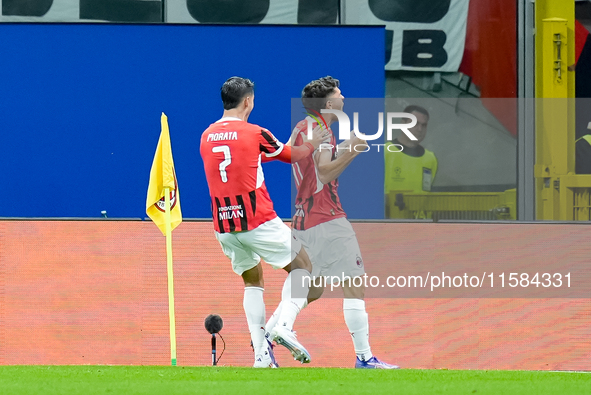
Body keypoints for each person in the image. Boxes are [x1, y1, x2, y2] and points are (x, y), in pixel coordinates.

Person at [265, 76, 399, 369]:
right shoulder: (321, 128)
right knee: (354, 283)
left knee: (313, 289)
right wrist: (353, 149)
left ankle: (270, 334)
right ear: (328, 104)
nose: (343, 97)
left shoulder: (303, 127)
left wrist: (344, 149)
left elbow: (309, 166)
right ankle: (364, 358)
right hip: (328, 218)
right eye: (339, 94)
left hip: (303, 220)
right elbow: (324, 173)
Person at [200, 76, 328, 368]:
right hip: (257, 220)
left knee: (253, 282)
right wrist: (312, 144)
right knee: (306, 270)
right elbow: (291, 155)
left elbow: (240, 161)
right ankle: (283, 326)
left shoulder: (206, 135)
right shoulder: (255, 132)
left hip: (224, 226)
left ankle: (261, 355)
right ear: (248, 101)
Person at [384, 105, 437, 217]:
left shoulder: (430, 158)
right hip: (390, 222)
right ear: (403, 123)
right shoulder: (385, 152)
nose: (419, 129)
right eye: (415, 123)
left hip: (422, 223)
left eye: (424, 125)